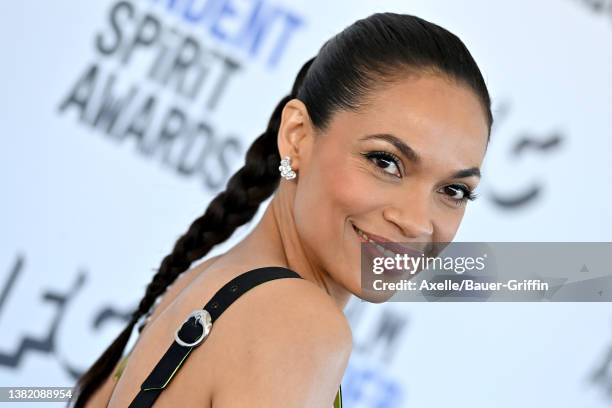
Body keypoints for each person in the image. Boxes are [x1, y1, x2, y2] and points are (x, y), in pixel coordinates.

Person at [71, 11, 493, 407]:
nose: (418, 222)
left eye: (454, 190)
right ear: (297, 137)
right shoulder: (296, 323)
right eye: (385, 161)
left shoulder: (202, 283)